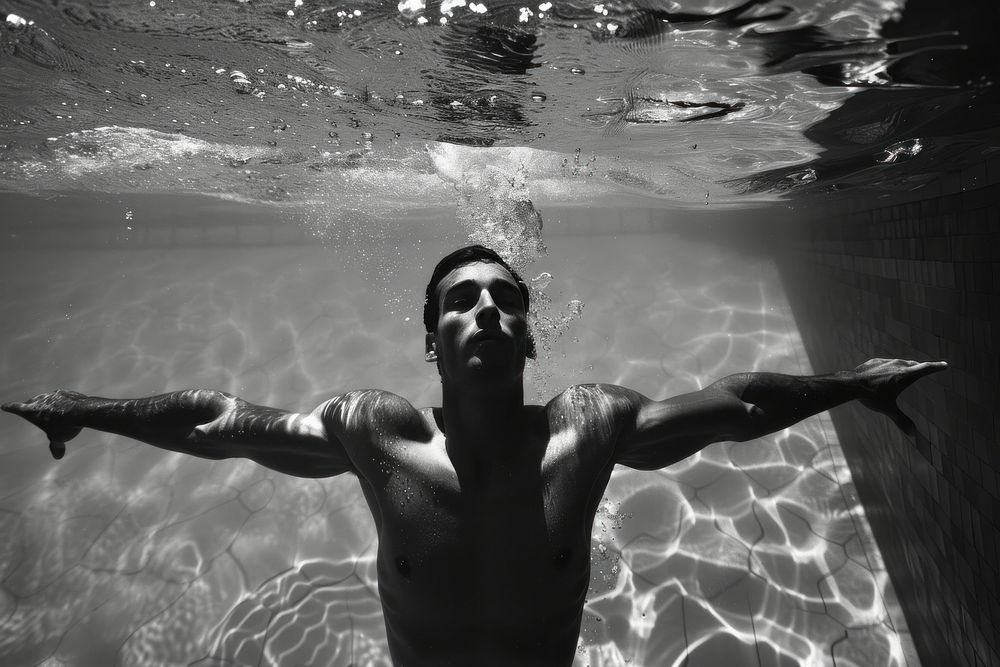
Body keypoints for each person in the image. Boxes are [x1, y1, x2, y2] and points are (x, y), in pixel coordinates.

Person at [2, 244, 946, 666]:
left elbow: (738, 402)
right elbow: (220, 420)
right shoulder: (378, 435)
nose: (487, 308)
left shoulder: (587, 429)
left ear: (533, 337)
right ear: (432, 342)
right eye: (461, 300)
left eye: (506, 298)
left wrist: (854, 381)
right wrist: (83, 409)